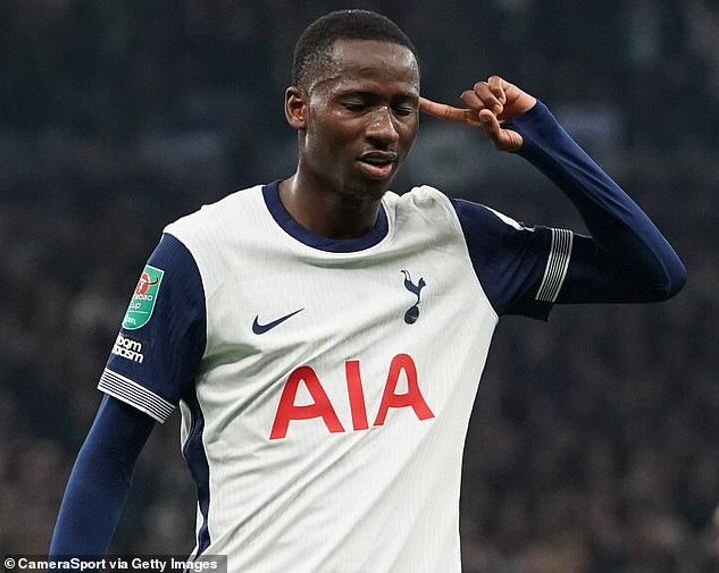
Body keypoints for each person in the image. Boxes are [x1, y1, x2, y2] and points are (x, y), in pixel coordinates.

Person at [49, 8, 686, 573]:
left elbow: (654, 273)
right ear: (298, 108)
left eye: (402, 108)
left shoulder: (457, 242)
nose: (384, 128)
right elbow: (109, 458)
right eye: (357, 104)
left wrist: (541, 137)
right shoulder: (200, 252)